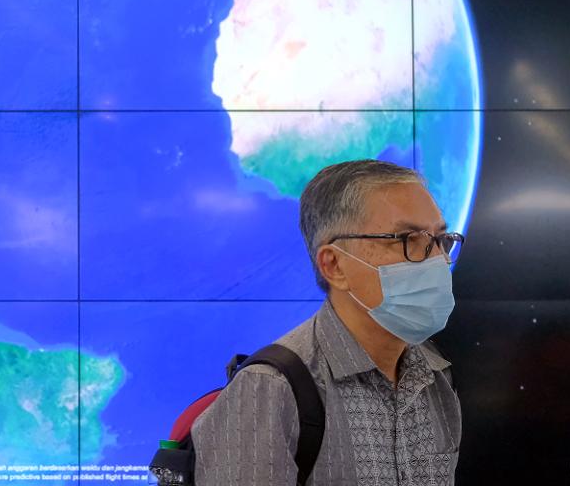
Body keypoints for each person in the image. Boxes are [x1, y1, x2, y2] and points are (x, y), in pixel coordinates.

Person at [192, 159, 462, 485]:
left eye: (440, 239)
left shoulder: (435, 376)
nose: (437, 260)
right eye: (407, 239)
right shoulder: (271, 390)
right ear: (334, 265)